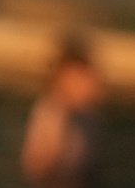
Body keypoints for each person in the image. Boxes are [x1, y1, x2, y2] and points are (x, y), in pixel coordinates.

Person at [18, 41, 104, 188]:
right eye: (83, 80)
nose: (93, 86)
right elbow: (39, 167)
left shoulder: (86, 117)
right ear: (64, 80)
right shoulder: (52, 115)